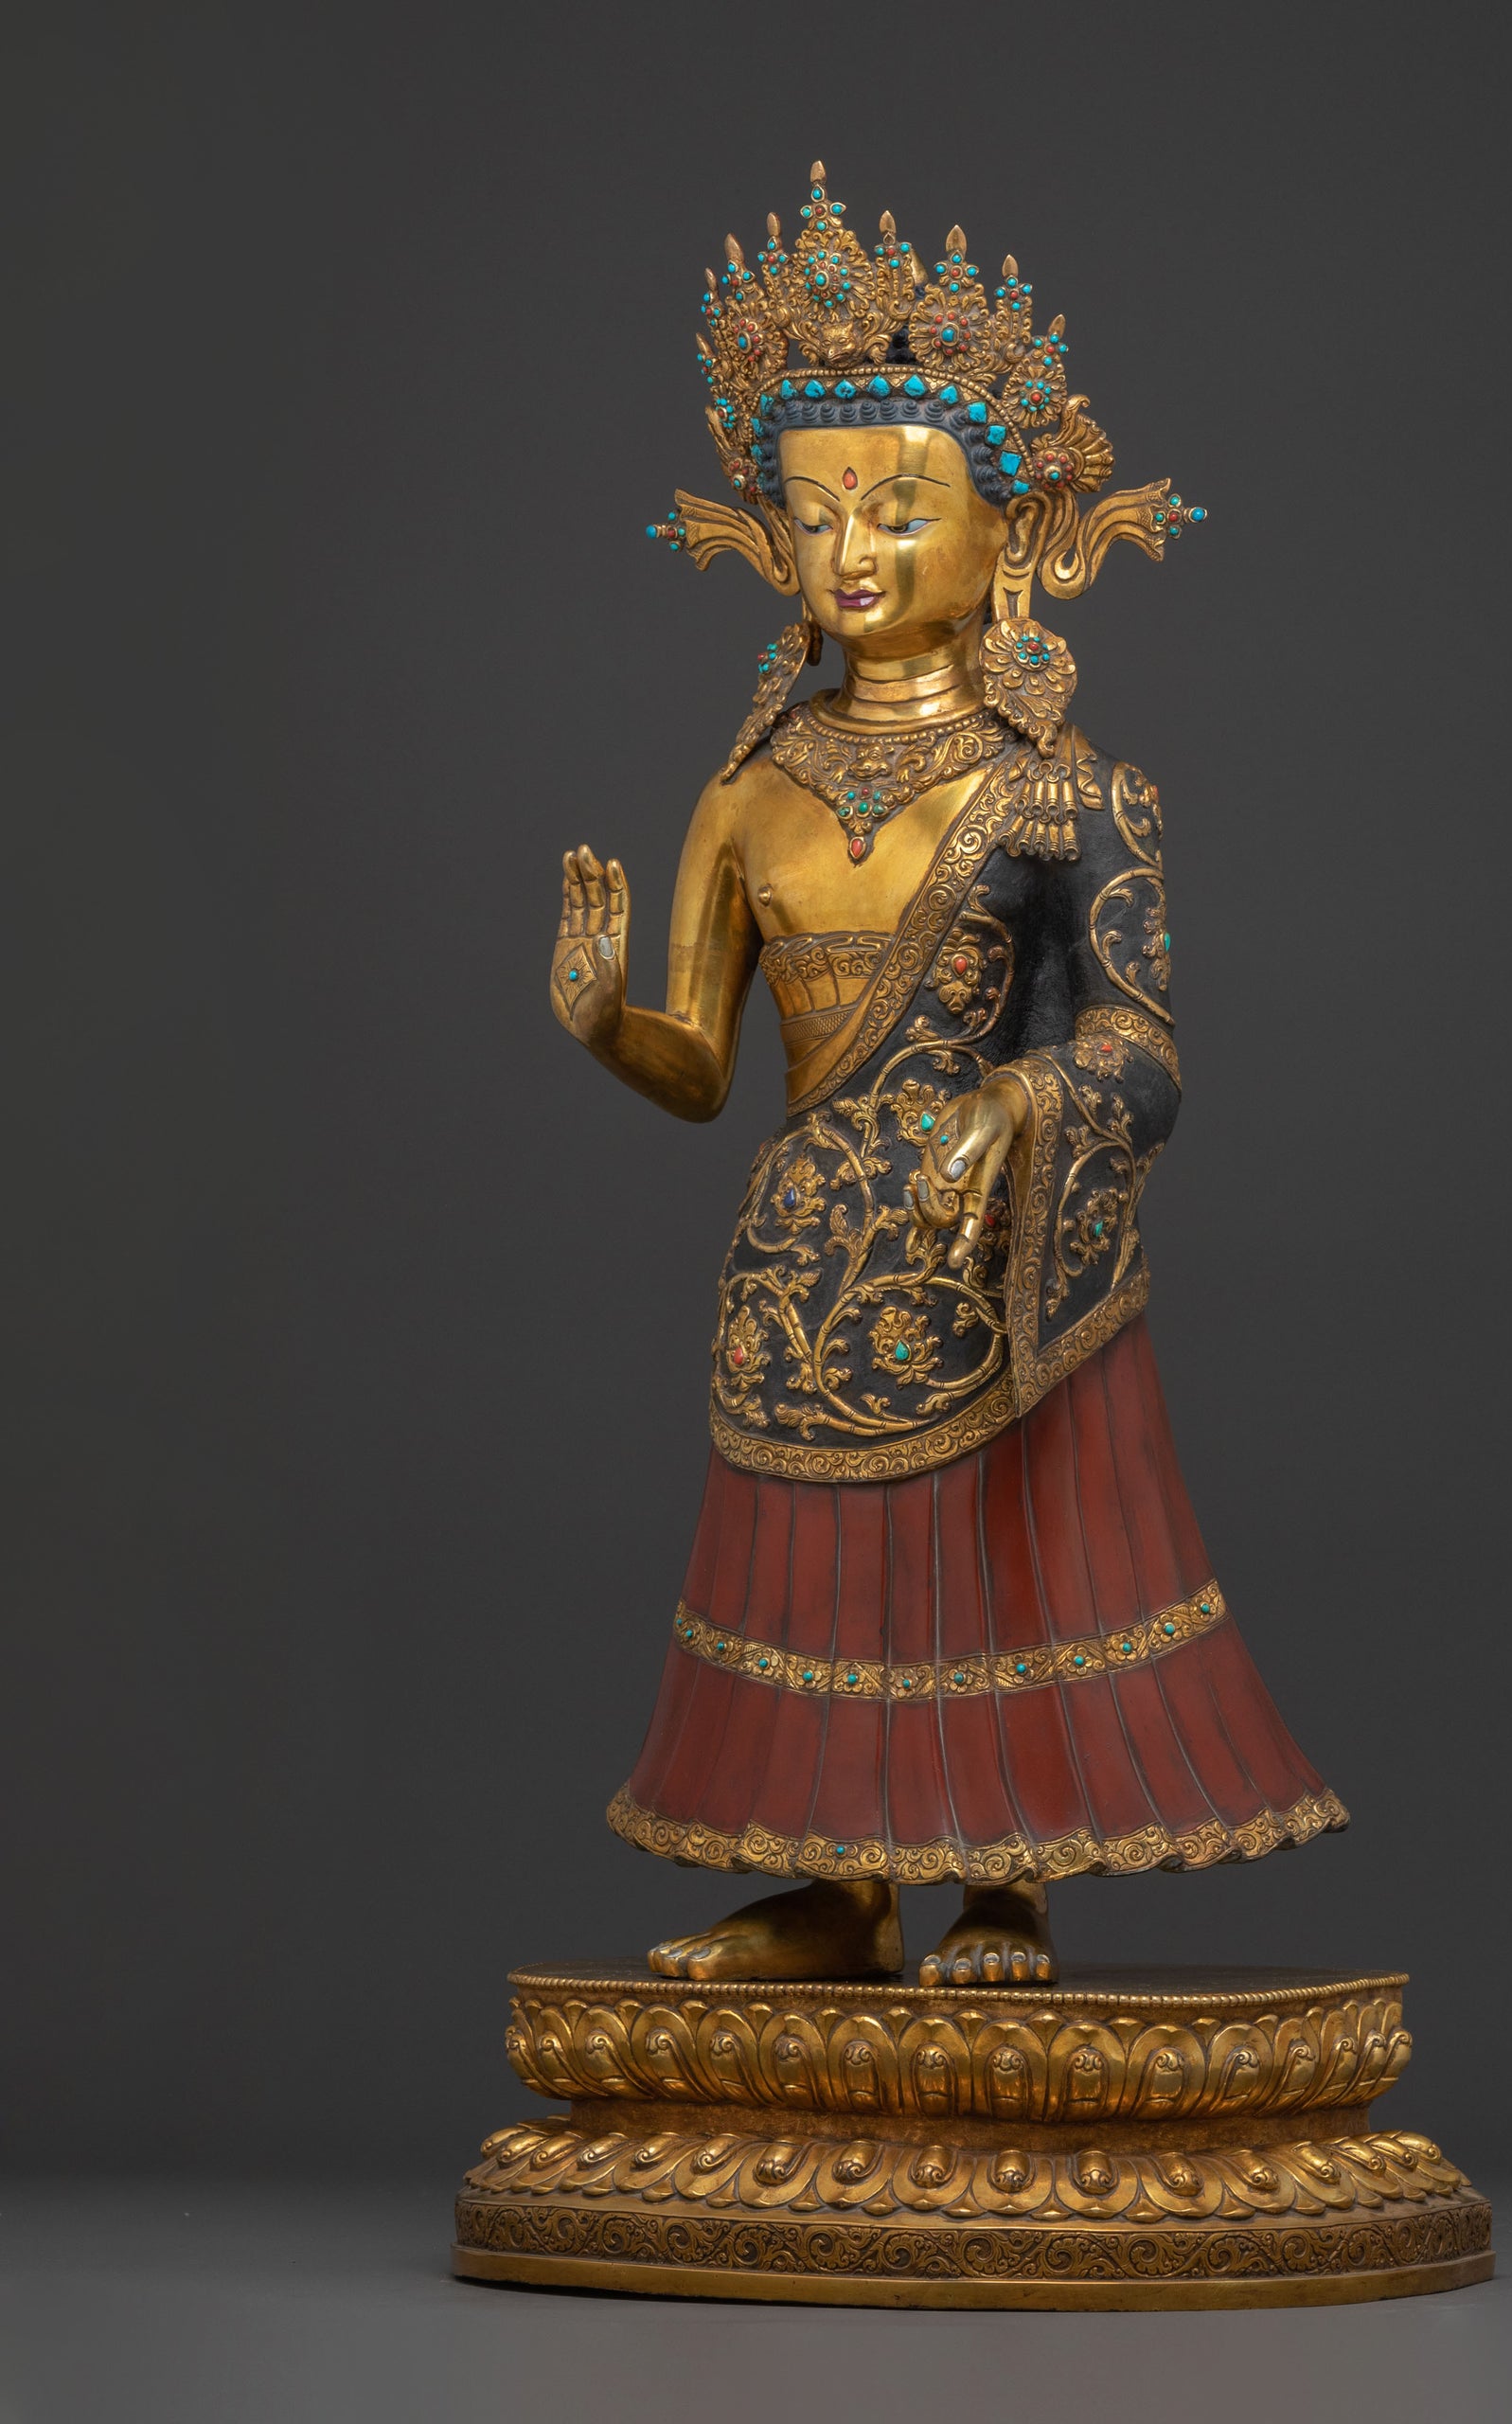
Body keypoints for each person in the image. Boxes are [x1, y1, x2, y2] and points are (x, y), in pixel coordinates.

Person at [550, 169, 1345, 1987]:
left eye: (900, 511)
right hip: (803, 1267)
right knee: (819, 1585)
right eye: (816, 511)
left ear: (1015, 532)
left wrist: (1019, 1103)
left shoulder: (1067, 792)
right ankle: (831, 1885)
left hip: (989, 1257)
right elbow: (702, 1070)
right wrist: (609, 1026)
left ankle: (1005, 1880)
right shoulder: (745, 793)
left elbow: (1143, 1048)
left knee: (991, 1569)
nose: (852, 552)